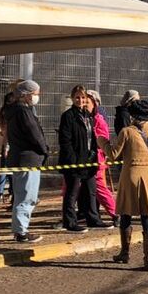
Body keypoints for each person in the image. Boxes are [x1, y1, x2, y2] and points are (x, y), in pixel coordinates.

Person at [107, 96, 148, 270]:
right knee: (147, 214)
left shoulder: (127, 132)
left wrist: (102, 143)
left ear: (133, 115)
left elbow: (113, 154)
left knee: (126, 213)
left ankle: (125, 253)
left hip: (130, 174)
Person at [3, 79, 49, 242]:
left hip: (19, 157)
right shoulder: (24, 112)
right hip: (28, 159)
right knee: (27, 196)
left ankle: (20, 228)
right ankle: (21, 231)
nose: (37, 97)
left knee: (22, 194)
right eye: (35, 94)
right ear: (27, 95)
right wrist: (45, 150)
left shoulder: (13, 111)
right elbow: (34, 134)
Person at [58, 85, 105, 232]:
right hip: (74, 161)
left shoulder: (87, 115)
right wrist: (73, 160)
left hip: (89, 159)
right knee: (72, 192)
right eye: (77, 97)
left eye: (83, 97)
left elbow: (91, 137)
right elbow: (65, 140)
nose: (80, 100)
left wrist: (93, 156)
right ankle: (70, 221)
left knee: (91, 190)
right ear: (73, 98)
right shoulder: (68, 116)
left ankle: (93, 218)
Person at [86, 88, 117, 221]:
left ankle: (116, 213)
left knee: (100, 188)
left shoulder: (98, 119)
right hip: (83, 158)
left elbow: (103, 139)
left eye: (86, 102)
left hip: (95, 159)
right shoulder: (82, 118)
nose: (83, 105)